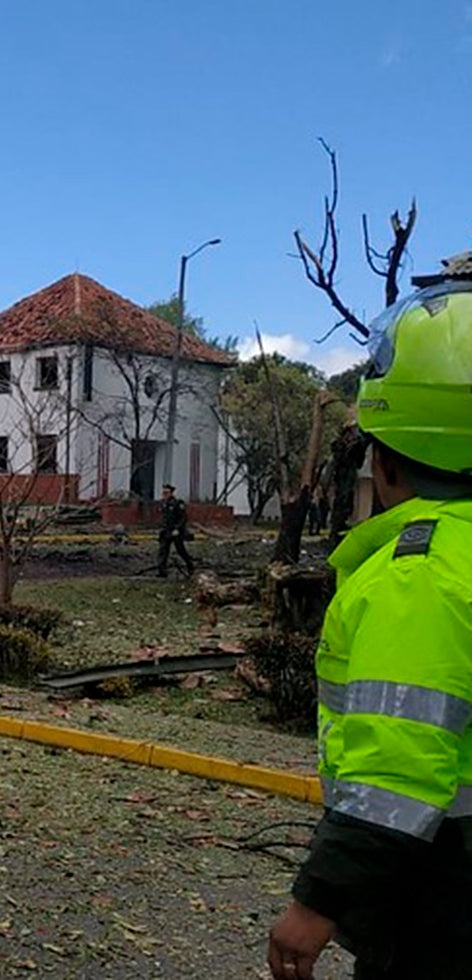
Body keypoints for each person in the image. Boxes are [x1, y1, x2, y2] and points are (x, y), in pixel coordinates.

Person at [267, 277, 472, 979]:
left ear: (384, 461)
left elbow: (397, 768)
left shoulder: (418, 575)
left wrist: (317, 903)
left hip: (443, 894)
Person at [155, 483, 194, 577]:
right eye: (163, 493)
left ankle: (190, 566)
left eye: (167, 493)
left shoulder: (178, 503)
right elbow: (164, 517)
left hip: (176, 531)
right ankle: (162, 571)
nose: (164, 495)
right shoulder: (162, 503)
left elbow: (183, 518)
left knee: (181, 550)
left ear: (171, 493)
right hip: (166, 531)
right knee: (163, 551)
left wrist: (177, 529)